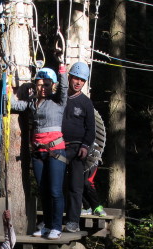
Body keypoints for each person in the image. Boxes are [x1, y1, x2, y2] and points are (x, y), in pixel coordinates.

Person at [10, 65, 68, 240]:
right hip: (38, 153)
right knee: (43, 190)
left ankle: (57, 226)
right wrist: (6, 88)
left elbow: (64, 89)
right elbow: (14, 105)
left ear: (53, 86)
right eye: (40, 84)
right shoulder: (32, 103)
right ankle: (48, 224)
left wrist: (63, 71)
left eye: (47, 85)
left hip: (55, 151)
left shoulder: (58, 101)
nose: (43, 88)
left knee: (55, 190)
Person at [61, 62, 106, 231]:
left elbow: (91, 129)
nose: (78, 82)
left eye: (82, 80)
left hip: (78, 149)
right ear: (70, 77)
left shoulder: (86, 103)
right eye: (76, 78)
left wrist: (85, 146)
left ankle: (73, 220)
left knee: (76, 186)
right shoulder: (61, 98)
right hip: (58, 147)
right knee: (56, 184)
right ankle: (54, 219)